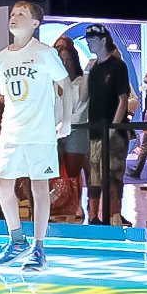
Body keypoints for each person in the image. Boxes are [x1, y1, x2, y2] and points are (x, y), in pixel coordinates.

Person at [0, 1, 69, 272]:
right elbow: (8, 95)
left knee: (38, 187)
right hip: (12, 130)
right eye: (13, 13)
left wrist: (66, 119)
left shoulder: (45, 53)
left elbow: (65, 84)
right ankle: (16, 239)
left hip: (40, 130)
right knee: (2, 184)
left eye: (22, 14)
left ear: (35, 24)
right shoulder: (1, 57)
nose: (15, 17)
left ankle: (39, 247)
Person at [83, 26, 133, 226]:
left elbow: (123, 99)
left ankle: (114, 215)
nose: (88, 43)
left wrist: (114, 126)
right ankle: (94, 216)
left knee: (113, 174)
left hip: (113, 132)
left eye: (92, 39)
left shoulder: (117, 66)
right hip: (94, 130)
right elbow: (85, 98)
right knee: (94, 175)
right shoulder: (94, 68)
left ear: (103, 40)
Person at [51, 36, 90, 223]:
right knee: (55, 173)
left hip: (76, 130)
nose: (65, 64)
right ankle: (58, 205)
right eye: (61, 61)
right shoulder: (51, 83)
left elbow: (82, 108)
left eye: (68, 60)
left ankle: (76, 206)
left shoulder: (82, 82)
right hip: (53, 132)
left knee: (73, 173)